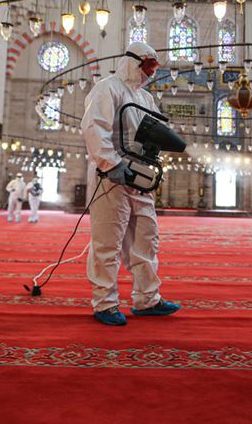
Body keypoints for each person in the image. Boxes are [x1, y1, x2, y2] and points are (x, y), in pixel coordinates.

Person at [80, 41, 181, 326]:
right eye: (147, 66)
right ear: (134, 62)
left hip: (139, 176)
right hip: (110, 176)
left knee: (145, 238)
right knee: (108, 241)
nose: (150, 73)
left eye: (153, 68)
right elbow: (93, 128)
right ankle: (105, 303)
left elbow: (152, 132)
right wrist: (111, 164)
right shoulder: (107, 89)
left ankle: (147, 299)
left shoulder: (146, 99)